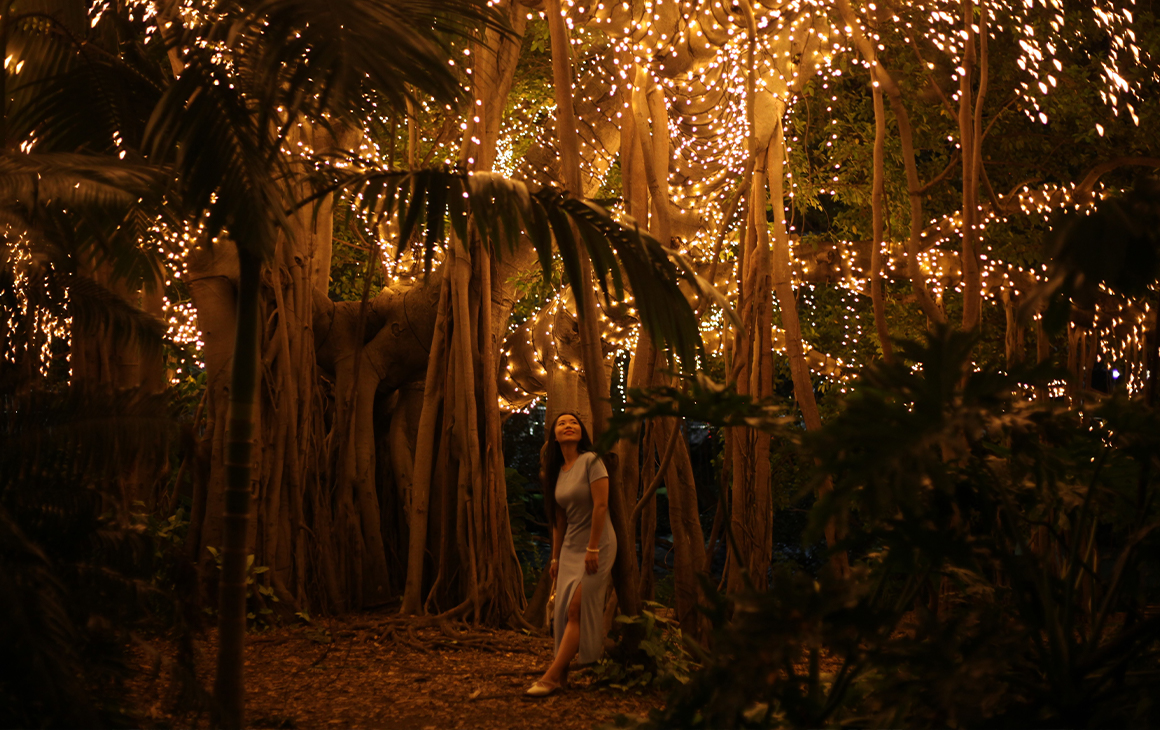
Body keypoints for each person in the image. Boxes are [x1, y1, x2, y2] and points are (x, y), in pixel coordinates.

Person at [525, 411, 617, 697]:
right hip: (569, 548)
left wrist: (592, 548)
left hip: (597, 543)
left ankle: (551, 676)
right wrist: (554, 558)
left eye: (574, 422)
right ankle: (562, 675)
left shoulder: (591, 461)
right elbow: (559, 521)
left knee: (576, 608)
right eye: (562, 423)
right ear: (554, 436)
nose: (568, 426)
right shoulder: (557, 472)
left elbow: (601, 506)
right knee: (564, 612)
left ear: (581, 432)